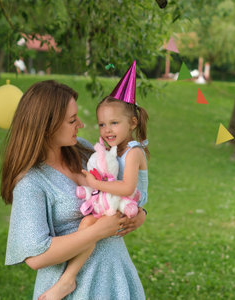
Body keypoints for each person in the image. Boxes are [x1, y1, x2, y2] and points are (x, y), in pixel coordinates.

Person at [1, 80, 147, 300]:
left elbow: (121, 189)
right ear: (47, 125)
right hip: (76, 289)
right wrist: (98, 231)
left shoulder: (84, 150)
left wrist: (140, 215)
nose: (80, 124)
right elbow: (35, 256)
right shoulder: (31, 181)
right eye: (72, 120)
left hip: (114, 276)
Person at [41, 61, 149, 300]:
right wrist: (86, 178)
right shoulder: (110, 150)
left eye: (114, 123)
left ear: (132, 123)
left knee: (89, 225)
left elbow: (128, 187)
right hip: (115, 201)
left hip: (124, 201)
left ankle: (68, 278)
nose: (107, 130)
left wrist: (95, 184)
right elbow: (99, 172)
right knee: (89, 226)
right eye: (102, 124)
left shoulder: (132, 152)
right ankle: (68, 278)